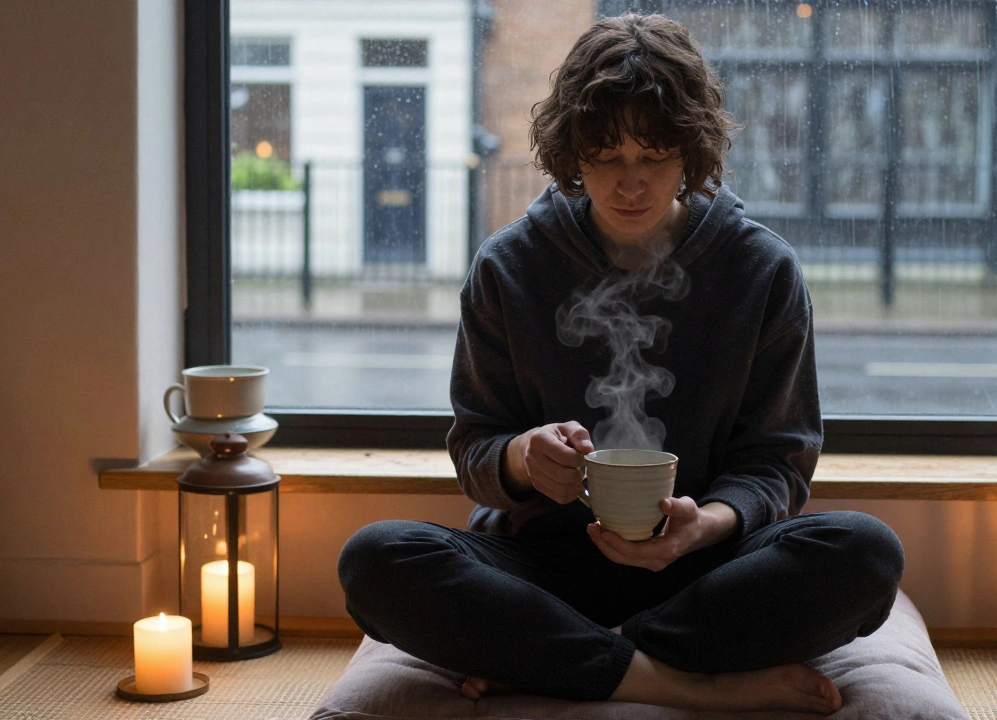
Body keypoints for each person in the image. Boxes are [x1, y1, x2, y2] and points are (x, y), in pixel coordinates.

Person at [339, 13, 904, 714]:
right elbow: (475, 447)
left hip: (706, 572)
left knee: (865, 552)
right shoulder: (511, 266)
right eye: (606, 158)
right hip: (545, 569)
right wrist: (520, 458)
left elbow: (778, 462)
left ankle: (560, 659)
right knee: (375, 559)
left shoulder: (760, 269)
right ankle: (674, 678)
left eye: (656, 156)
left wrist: (710, 522)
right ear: (572, 155)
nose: (631, 184)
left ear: (692, 154)